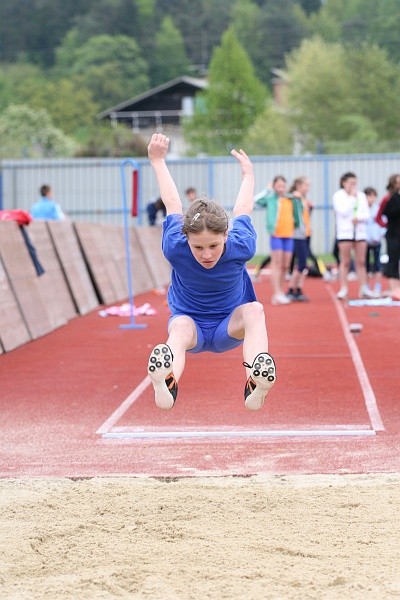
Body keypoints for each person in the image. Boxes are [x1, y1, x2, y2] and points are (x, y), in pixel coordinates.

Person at [146, 132, 276, 411]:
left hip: (229, 324)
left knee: (255, 310)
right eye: (198, 247)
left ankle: (256, 383)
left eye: (214, 246)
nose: (206, 254)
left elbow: (243, 208)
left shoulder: (241, 245)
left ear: (227, 235)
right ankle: (166, 383)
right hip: (191, 325)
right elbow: (172, 203)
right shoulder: (174, 246)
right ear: (186, 240)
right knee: (178, 328)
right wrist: (157, 161)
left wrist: (249, 176)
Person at [255, 176, 302, 304]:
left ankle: (281, 291)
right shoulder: (270, 198)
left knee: (285, 266)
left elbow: (298, 212)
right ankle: (276, 293)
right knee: (276, 264)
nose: (281, 188)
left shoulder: (291, 198)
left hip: (289, 235)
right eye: (278, 185)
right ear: (274, 186)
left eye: (283, 185)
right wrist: (267, 189)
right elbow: (256, 201)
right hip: (276, 235)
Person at [332, 172, 375, 299]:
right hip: (345, 232)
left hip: (359, 232)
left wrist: (359, 218)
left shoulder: (361, 196)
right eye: (350, 183)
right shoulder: (338, 196)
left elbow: (366, 213)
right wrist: (351, 198)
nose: (353, 185)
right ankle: (343, 288)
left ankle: (364, 288)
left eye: (355, 183)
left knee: (361, 261)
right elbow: (342, 211)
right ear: (343, 183)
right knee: (345, 261)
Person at [286, 176, 312, 301]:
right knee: (301, 263)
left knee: (303, 263)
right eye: (306, 185)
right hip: (297, 235)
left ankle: (298, 288)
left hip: (305, 234)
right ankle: (291, 288)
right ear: (298, 185)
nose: (308, 188)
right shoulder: (294, 197)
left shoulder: (303, 199)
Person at [364, 186, 386, 295]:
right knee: (366, 265)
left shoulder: (378, 209)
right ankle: (366, 286)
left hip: (376, 241)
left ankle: (377, 286)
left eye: (373, 196)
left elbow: (383, 224)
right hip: (365, 241)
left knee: (377, 264)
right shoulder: (363, 209)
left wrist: (380, 235)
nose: (370, 199)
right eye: (368, 196)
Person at [381, 179, 400, 296]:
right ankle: (393, 288)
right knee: (393, 260)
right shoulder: (390, 198)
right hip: (393, 234)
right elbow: (383, 213)